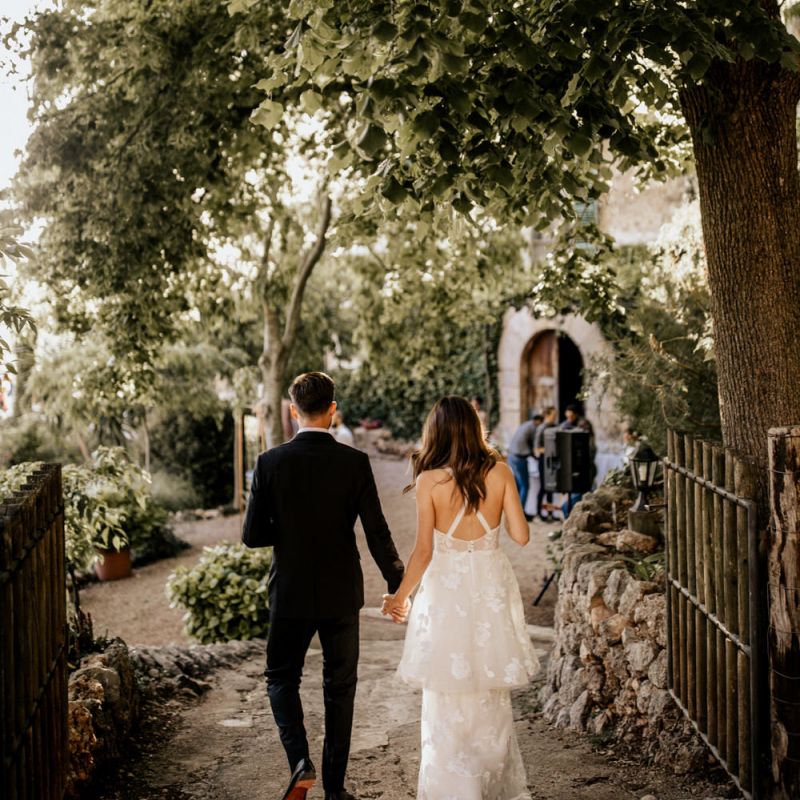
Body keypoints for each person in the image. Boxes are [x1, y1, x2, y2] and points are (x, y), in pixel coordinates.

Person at [242, 371, 405, 800]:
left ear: (294, 411)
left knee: (280, 678)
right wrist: (397, 582)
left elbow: (253, 536)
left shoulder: (269, 463)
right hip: (340, 593)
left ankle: (300, 762)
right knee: (340, 688)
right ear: (333, 410)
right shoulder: (354, 462)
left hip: (291, 590)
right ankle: (335, 790)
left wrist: (290, 526)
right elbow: (377, 531)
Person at [383, 396, 539, 799]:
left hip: (446, 592)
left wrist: (400, 596)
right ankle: (489, 785)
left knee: (446, 692)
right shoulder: (501, 471)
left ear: (435, 432)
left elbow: (423, 552)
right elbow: (522, 537)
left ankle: (454, 789)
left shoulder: (429, 481)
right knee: (489, 692)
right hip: (488, 589)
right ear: (475, 428)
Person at [507, 411, 541, 521]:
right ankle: (519, 514)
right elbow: (534, 446)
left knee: (518, 486)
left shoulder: (525, 425)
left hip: (511, 457)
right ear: (538, 421)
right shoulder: (534, 428)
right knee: (525, 486)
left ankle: (513, 511)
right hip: (519, 458)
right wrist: (537, 456)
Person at [534, 406, 558, 522]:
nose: (556, 416)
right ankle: (538, 513)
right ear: (547, 415)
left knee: (551, 487)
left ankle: (550, 513)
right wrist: (549, 450)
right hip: (544, 459)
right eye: (554, 414)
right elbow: (537, 448)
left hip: (553, 459)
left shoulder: (555, 427)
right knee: (543, 487)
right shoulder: (541, 428)